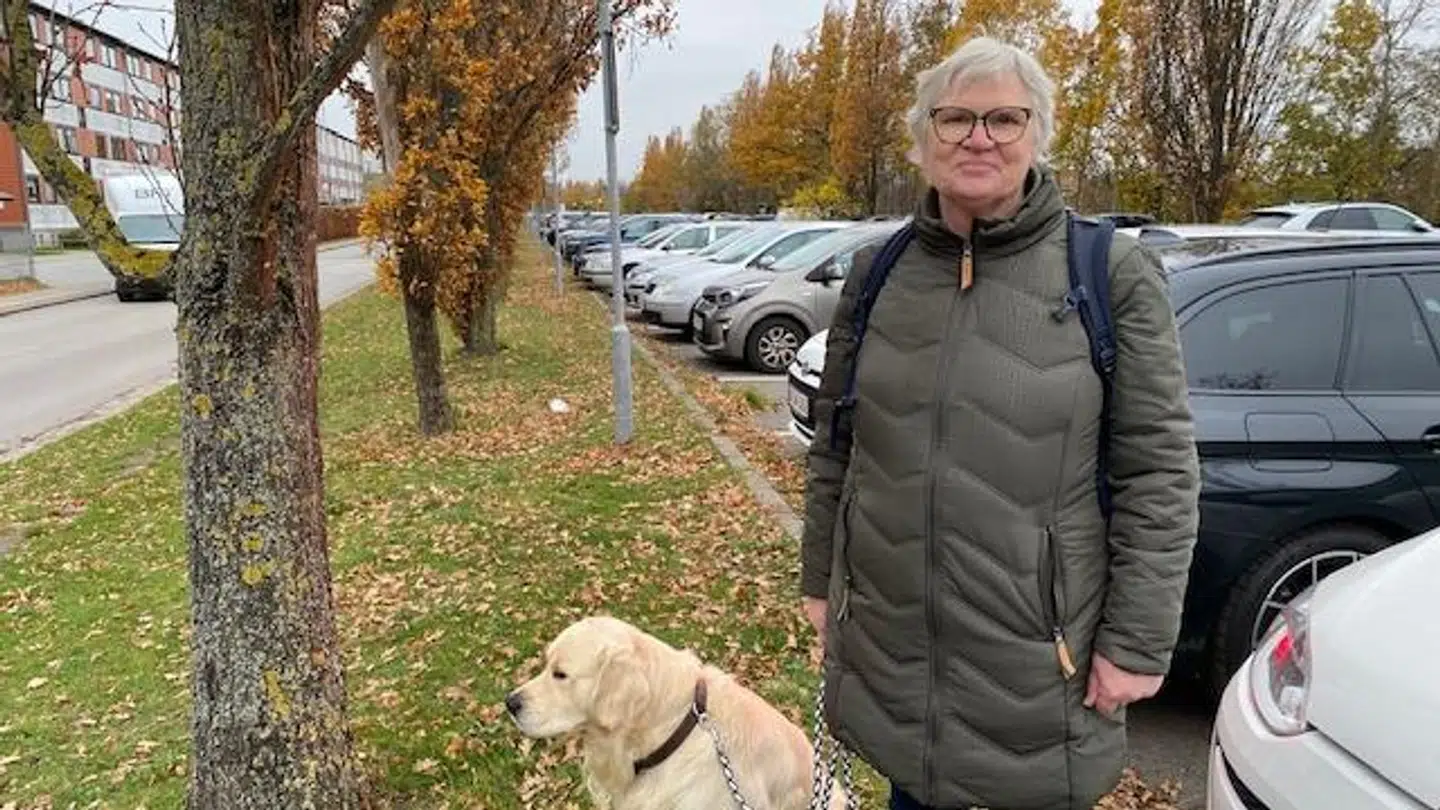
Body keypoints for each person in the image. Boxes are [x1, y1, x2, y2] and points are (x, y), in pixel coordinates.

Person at [799, 36, 1201, 810]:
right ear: (922, 140)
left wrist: (1137, 644)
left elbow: (1159, 471)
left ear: (1037, 136)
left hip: (1041, 675)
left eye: (1004, 119)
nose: (978, 138)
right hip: (896, 665)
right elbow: (836, 446)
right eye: (954, 119)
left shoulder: (1108, 273)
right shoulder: (877, 275)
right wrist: (822, 581)